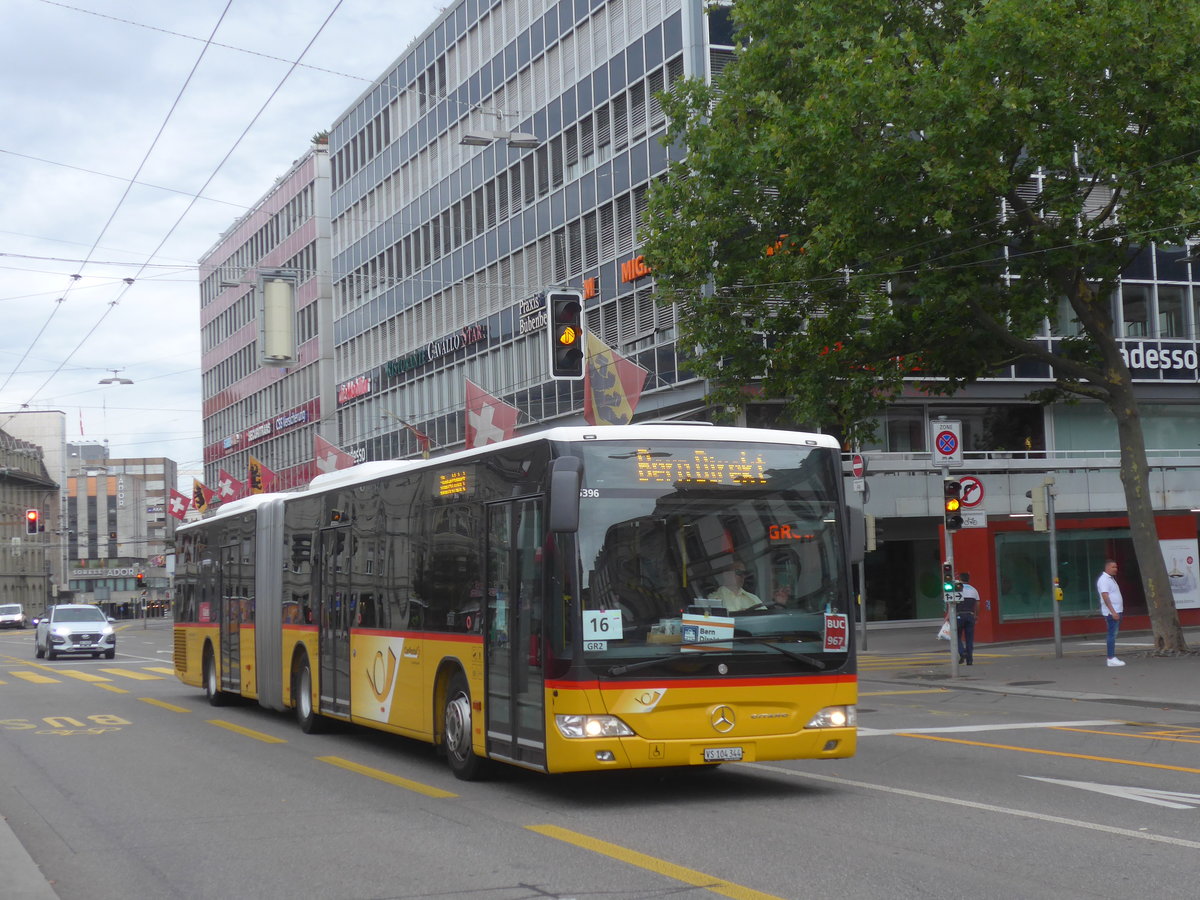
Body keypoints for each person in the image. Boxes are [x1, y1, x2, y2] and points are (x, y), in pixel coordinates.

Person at [1096, 559, 1125, 667]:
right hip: (1112, 612)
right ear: (1107, 568)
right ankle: (1111, 658)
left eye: (1116, 567)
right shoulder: (1104, 580)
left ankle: (1111, 657)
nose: (1116, 569)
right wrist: (1113, 612)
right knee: (1112, 634)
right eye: (1113, 567)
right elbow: (1105, 596)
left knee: (1113, 634)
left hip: (1117, 610)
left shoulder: (1110, 579)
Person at [956, 572, 980, 665]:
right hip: (970, 615)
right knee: (969, 638)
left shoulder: (957, 589)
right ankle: (969, 660)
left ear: (960, 579)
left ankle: (962, 652)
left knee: (955, 636)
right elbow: (978, 604)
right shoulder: (974, 590)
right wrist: (976, 615)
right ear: (968, 579)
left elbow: (952, 604)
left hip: (959, 615)